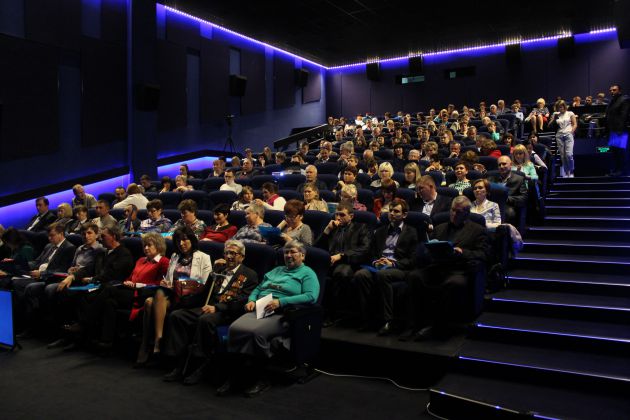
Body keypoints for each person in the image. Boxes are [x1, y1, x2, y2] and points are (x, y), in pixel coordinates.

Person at [219, 241, 319, 397]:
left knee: (256, 333)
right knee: (234, 329)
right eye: (286, 252)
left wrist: (281, 302)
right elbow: (259, 288)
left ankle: (261, 378)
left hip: (283, 313)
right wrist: (252, 300)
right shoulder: (276, 270)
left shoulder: (307, 273)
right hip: (261, 308)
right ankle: (234, 376)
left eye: (292, 252)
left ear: (302, 255)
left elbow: (311, 296)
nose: (288, 255)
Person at [162, 240, 258, 384]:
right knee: (177, 315)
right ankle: (179, 363)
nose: (229, 256)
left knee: (205, 320)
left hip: (226, 312)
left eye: (233, 253)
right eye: (226, 253)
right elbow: (204, 292)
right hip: (207, 307)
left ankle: (200, 364)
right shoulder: (219, 270)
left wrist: (217, 308)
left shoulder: (249, 274)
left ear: (242, 257)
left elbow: (242, 300)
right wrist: (185, 300)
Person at [403, 196, 488, 341]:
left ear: (467, 213)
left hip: (459, 269)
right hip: (437, 266)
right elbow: (427, 248)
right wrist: (427, 249)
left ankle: (439, 327)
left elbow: (483, 255)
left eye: (458, 212)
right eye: (453, 210)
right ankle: (414, 324)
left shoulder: (478, 230)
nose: (454, 214)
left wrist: (463, 252)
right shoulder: (440, 228)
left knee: (453, 283)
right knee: (414, 276)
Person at [135, 227, 212, 365]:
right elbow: (169, 279)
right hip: (173, 295)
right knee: (155, 296)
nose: (181, 243)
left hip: (190, 297)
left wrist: (183, 285)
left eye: (184, 240)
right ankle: (157, 340)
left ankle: (148, 345)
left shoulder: (204, 257)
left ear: (192, 240)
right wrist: (167, 283)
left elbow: (204, 284)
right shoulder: (175, 256)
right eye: (178, 241)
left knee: (149, 302)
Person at [83, 233, 169, 350]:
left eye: (149, 245)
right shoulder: (141, 260)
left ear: (158, 246)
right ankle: (106, 342)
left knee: (109, 289)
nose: (146, 248)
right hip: (129, 291)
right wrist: (127, 282)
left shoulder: (164, 261)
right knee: (109, 302)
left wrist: (137, 285)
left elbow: (160, 285)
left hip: (143, 294)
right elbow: (130, 278)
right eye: (144, 245)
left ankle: (86, 321)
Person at [353, 199, 418, 336]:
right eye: (390, 211)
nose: (392, 214)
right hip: (379, 266)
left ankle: (388, 321)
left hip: (399, 268)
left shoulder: (411, 232)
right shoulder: (380, 231)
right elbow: (371, 253)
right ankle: (367, 318)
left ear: (404, 215)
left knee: (383, 275)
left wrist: (392, 263)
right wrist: (375, 262)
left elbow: (412, 259)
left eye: (396, 211)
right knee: (361, 274)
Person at [11, 223, 76, 337]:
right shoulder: (48, 246)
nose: (49, 238)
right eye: (48, 236)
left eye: (52, 235)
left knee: (29, 287)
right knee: (15, 282)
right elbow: (37, 262)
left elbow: (62, 270)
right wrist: (18, 264)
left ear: (61, 234)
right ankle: (23, 321)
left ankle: (32, 324)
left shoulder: (69, 248)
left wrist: (42, 274)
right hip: (39, 275)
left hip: (52, 278)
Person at [315, 202, 370, 324]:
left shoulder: (361, 228)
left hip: (349, 262)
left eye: (342, 215)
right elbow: (316, 248)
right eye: (336, 214)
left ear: (351, 216)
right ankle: (314, 310)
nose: (338, 218)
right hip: (330, 261)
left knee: (340, 273)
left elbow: (364, 249)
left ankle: (334, 314)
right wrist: (326, 231)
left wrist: (342, 255)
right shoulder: (332, 228)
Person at [489, 156, 528, 225]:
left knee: (509, 213)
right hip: (491, 205)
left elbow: (524, 198)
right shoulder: (491, 179)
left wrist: (507, 199)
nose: (501, 166)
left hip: (507, 206)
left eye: (504, 164)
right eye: (499, 165)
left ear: (510, 164)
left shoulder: (519, 179)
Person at [548, 100, 577, 178]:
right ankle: (567, 172)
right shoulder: (556, 114)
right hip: (559, 135)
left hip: (568, 134)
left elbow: (575, 124)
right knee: (563, 156)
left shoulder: (570, 113)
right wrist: (553, 118)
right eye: (558, 107)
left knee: (569, 154)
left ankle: (571, 171)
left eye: (561, 106)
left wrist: (571, 132)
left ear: (564, 106)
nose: (560, 108)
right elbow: (549, 125)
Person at [606, 84, 630, 176]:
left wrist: (620, 130)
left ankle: (623, 171)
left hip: (620, 130)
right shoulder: (612, 101)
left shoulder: (624, 99)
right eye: (611, 90)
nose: (612, 92)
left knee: (621, 152)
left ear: (619, 91)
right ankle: (616, 170)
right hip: (613, 130)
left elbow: (624, 116)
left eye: (614, 90)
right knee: (615, 152)